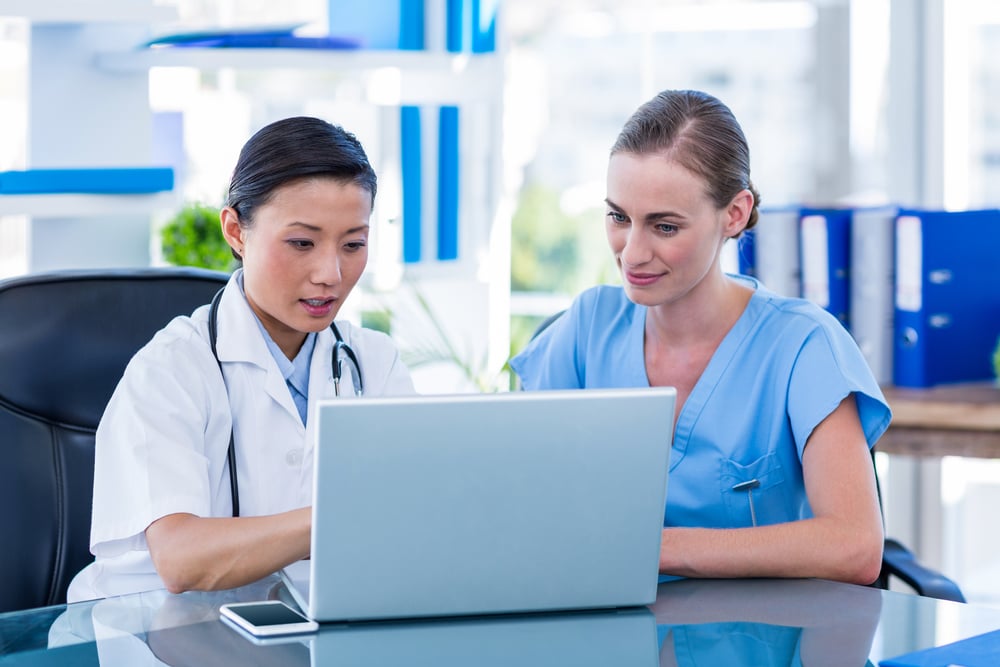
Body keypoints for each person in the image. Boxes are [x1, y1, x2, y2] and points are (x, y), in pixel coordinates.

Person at [510, 90, 889, 585]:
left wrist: (656, 548)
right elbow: (516, 500)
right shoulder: (587, 329)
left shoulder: (803, 346)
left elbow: (855, 546)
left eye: (664, 226)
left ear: (734, 214)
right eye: (619, 218)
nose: (632, 254)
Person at [68, 116, 414, 602]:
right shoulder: (171, 369)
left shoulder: (373, 363)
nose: (331, 273)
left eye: (354, 244)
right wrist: (345, 515)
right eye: (301, 243)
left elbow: (416, 521)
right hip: (158, 639)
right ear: (235, 231)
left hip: (304, 636)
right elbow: (182, 559)